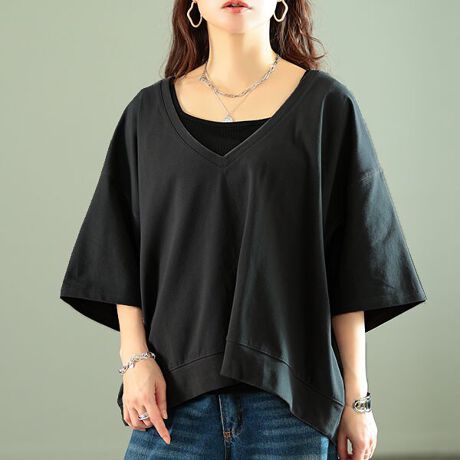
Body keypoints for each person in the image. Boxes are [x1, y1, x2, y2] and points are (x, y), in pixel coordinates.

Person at [59, 1, 428, 459]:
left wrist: (358, 399)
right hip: (173, 400)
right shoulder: (146, 115)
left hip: (293, 406)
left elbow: (354, 264)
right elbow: (116, 248)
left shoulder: (327, 107)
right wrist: (133, 360)